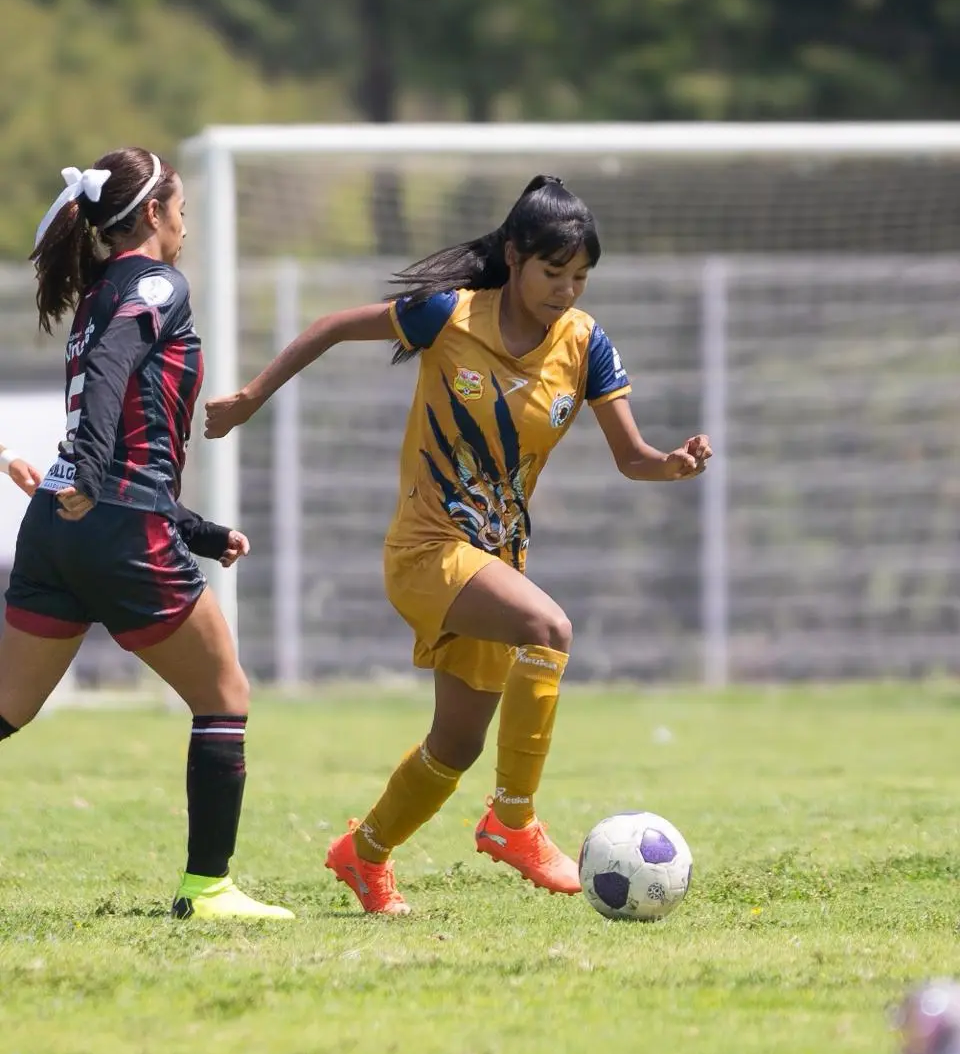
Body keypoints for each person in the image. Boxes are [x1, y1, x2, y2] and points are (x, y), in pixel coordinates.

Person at [206, 174, 711, 916]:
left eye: (580, 276)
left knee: (455, 746)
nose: (566, 290)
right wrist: (251, 396)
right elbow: (333, 326)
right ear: (513, 256)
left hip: (494, 563)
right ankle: (513, 821)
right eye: (552, 272)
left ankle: (364, 853)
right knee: (550, 628)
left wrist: (669, 464)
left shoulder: (586, 344)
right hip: (426, 549)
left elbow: (630, 454)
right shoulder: (449, 314)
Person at [0, 148, 294, 921]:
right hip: (114, 525)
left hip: (61, 527)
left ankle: (210, 887)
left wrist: (196, 529)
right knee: (224, 694)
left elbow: (128, 422)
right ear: (156, 214)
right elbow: (108, 376)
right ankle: (208, 889)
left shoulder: (100, 289)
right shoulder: (158, 284)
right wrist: (93, 475)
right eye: (183, 210)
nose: (187, 225)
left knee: (6, 710)